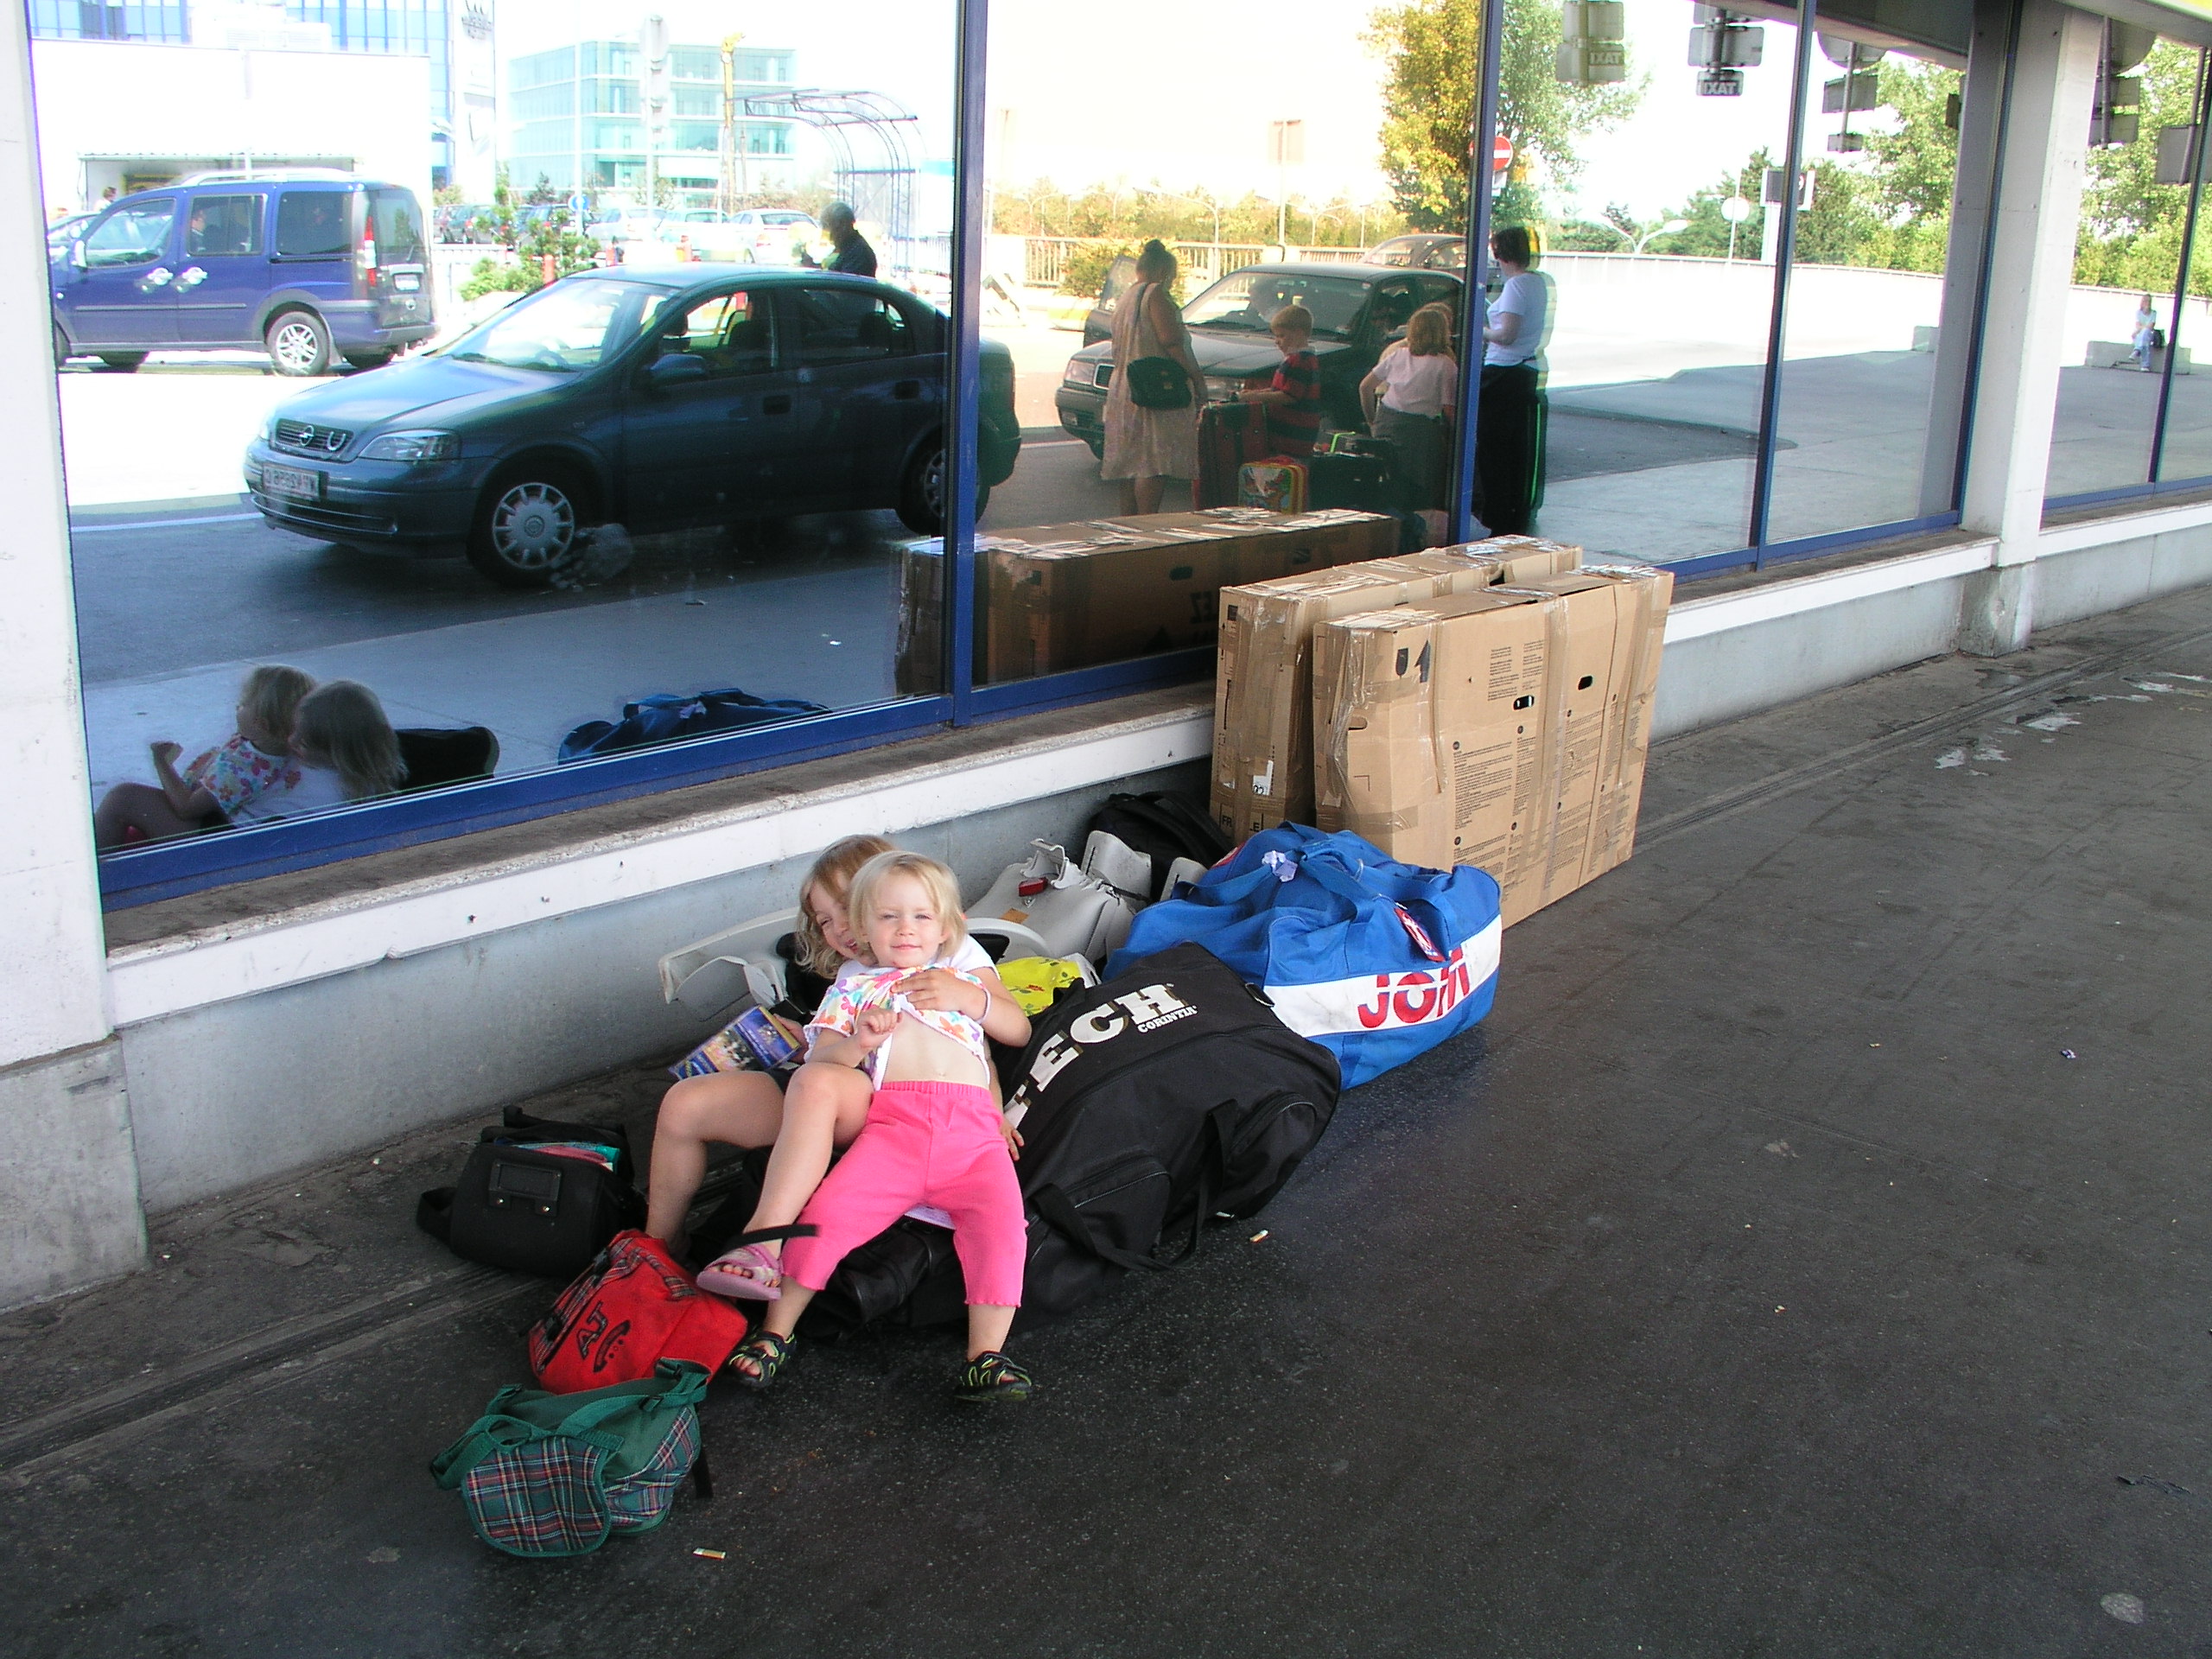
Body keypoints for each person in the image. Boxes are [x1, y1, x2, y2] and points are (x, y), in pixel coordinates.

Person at [725, 850, 1036, 1402]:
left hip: (973, 1134)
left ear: (948, 928)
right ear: (864, 929)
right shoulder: (854, 987)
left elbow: (1017, 1030)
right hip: (895, 1128)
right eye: (888, 917)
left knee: (1003, 1230)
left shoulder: (958, 972)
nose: (905, 929)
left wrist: (973, 999)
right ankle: (775, 1331)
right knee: (825, 1219)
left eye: (921, 917)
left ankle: (985, 1355)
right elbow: (821, 1062)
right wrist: (859, 1042)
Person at [655, 836, 1022, 1290]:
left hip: (903, 1112)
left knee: (817, 1082)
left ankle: (764, 1241)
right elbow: (830, 1052)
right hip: (836, 1092)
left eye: (846, 908)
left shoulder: (951, 953)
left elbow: (989, 1043)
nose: (839, 930)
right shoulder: (851, 974)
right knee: (685, 1104)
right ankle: (658, 1252)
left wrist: (991, 1109)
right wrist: (821, 1040)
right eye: (824, 920)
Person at [94, 664, 315, 849]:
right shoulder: (263, 745)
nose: (237, 707)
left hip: (211, 832)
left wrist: (162, 762)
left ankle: (94, 873)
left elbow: (187, 808)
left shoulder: (247, 767)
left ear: (261, 725)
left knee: (123, 797)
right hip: (215, 821)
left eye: (243, 704)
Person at [1103, 238, 1203, 515]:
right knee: (1152, 462)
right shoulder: (1156, 294)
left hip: (1125, 385)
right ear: (1163, 272)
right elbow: (1171, 341)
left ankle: (1128, 525)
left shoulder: (1125, 297)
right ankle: (1147, 524)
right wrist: (1196, 378)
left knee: (1130, 463)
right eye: (1172, 276)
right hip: (1153, 387)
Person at [1478, 224, 1553, 536]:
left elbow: (1506, 335)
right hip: (1524, 371)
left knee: (1493, 449)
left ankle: (1498, 513)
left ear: (1500, 254)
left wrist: (1478, 329)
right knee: (1514, 449)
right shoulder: (1538, 282)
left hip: (1503, 372)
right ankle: (1512, 511)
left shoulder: (1517, 286)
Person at [1361, 301, 1459, 512]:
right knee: (1419, 488)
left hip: (1387, 421)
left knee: (1388, 480)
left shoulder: (1398, 355)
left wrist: (1372, 421)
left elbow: (1365, 387)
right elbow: (1448, 409)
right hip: (1420, 432)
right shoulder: (1446, 365)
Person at [287, 678, 406, 809]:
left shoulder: (323, 798)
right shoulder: (368, 780)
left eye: (305, 744)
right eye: (295, 729)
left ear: (337, 754)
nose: (291, 741)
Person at [1238, 303, 1323, 458]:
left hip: (1294, 434)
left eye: (1282, 336)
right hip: (1284, 433)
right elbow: (1278, 390)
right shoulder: (1294, 359)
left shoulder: (1301, 361)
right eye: (1276, 336)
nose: (1277, 341)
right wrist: (1255, 393)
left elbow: (1289, 396)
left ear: (1299, 333)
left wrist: (1253, 397)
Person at [801, 201, 877, 278]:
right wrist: (812, 266)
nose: (828, 235)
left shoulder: (858, 253)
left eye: (827, 226)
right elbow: (833, 273)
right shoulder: (850, 248)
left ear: (843, 226)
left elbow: (840, 281)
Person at [2132, 294, 2158, 371]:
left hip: (2150, 334)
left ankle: (2137, 350)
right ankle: (2145, 365)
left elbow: (2151, 326)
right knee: (2144, 342)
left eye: (2149, 301)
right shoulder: (2138, 312)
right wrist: (2142, 329)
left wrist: (2141, 329)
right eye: (2145, 301)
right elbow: (2137, 325)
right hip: (2140, 334)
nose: (2147, 303)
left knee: (2146, 332)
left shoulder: (2153, 313)